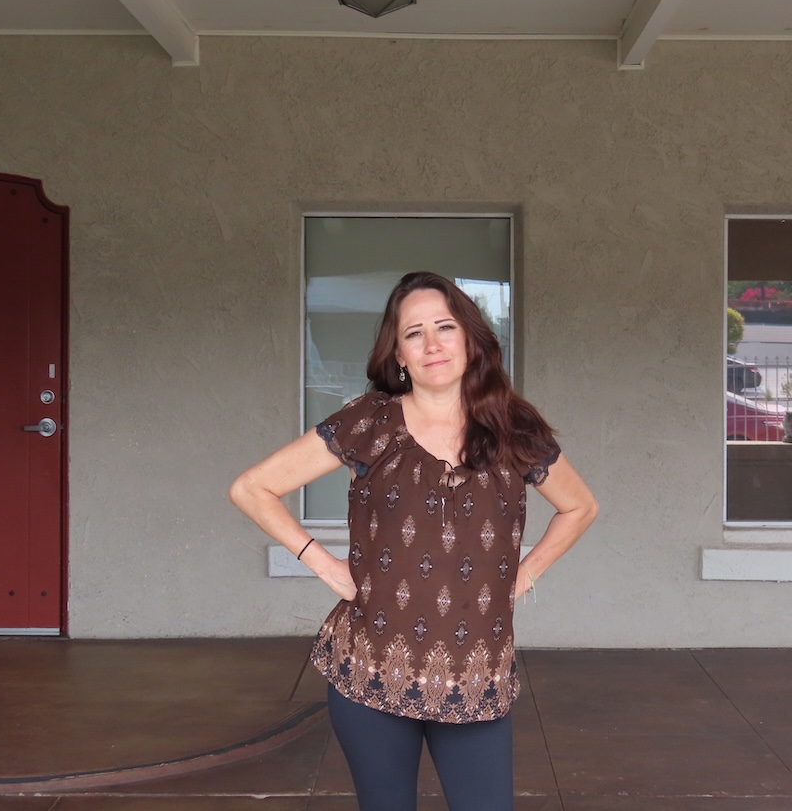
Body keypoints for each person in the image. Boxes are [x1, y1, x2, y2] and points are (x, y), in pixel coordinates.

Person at [228, 271, 598, 811]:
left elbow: (579, 506)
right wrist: (323, 564)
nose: (432, 344)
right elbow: (251, 487)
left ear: (471, 340)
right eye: (414, 333)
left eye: (445, 327)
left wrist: (527, 570)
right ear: (398, 354)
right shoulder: (369, 422)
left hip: (475, 678)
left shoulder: (512, 428)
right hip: (374, 671)